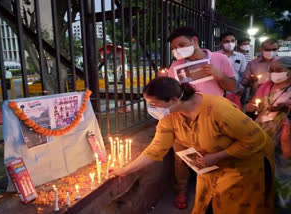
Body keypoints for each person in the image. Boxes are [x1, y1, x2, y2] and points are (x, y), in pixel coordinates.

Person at [110, 77, 274, 214]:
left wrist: (217, 156)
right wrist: (125, 170)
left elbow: (255, 140)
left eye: (155, 104)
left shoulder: (219, 110)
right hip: (209, 169)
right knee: (206, 206)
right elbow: (155, 149)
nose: (153, 109)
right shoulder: (169, 117)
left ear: (174, 99)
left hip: (244, 167)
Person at [157, 26, 236, 209]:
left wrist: (218, 74)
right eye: (174, 48)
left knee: (212, 155)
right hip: (184, 119)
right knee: (182, 157)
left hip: (214, 119)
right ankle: (182, 191)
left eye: (181, 45)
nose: (178, 50)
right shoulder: (176, 67)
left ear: (194, 40)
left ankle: (216, 191)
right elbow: (172, 95)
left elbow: (231, 86)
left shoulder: (219, 59)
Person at [245, 56, 291, 211]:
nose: (274, 73)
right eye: (271, 70)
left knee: (283, 171)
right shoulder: (266, 86)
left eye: (279, 70)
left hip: (285, 136)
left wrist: (286, 108)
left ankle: (282, 204)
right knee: (263, 169)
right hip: (263, 132)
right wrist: (251, 107)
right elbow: (256, 104)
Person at [241, 38, 280, 103]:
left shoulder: (283, 63)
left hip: (277, 100)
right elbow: (244, 83)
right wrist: (251, 80)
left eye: (274, 49)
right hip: (256, 100)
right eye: (267, 50)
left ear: (278, 49)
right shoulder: (252, 64)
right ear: (261, 50)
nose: (271, 52)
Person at [217, 32, 247, 109]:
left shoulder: (241, 56)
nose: (230, 43)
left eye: (232, 41)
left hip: (235, 91)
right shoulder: (215, 56)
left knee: (234, 112)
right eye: (226, 41)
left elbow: (243, 74)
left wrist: (241, 87)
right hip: (219, 90)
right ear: (221, 43)